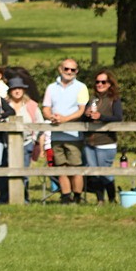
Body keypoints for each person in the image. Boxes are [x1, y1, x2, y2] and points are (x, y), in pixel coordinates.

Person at [42, 58, 88, 204]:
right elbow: (46, 108)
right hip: (56, 134)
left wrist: (65, 119)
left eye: (72, 70)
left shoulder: (81, 87)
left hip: (74, 134)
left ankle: (77, 197)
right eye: (66, 69)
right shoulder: (51, 87)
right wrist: (51, 117)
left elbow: (81, 110)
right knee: (61, 167)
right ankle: (66, 196)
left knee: (75, 167)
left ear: (77, 72)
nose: (69, 72)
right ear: (60, 69)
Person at [83, 69, 124, 204]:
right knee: (94, 173)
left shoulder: (114, 100)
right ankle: (100, 200)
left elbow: (118, 118)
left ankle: (112, 199)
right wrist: (86, 114)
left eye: (103, 82)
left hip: (106, 142)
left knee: (105, 172)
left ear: (109, 84)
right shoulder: (92, 100)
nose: (99, 84)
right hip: (90, 141)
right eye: (97, 82)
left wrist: (102, 117)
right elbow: (84, 120)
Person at [7, 76, 46, 200]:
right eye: (14, 89)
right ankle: (9, 197)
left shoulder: (32, 105)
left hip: (27, 142)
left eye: (19, 88)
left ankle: (24, 197)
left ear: (24, 90)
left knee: (24, 171)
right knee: (8, 171)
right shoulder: (4, 104)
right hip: (8, 144)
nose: (17, 91)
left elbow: (41, 123)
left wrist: (37, 141)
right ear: (10, 91)